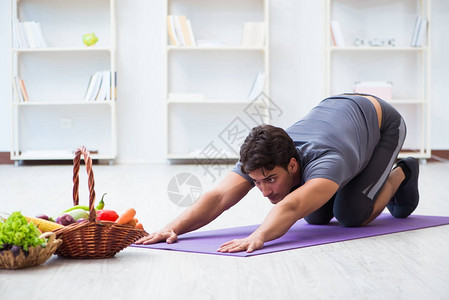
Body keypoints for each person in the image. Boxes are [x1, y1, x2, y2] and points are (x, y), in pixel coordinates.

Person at [136, 93, 420, 253]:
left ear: (293, 165)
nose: (265, 190)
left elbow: (291, 204)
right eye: (257, 182)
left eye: (271, 180)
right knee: (317, 215)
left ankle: (402, 172)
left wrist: (259, 235)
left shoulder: (327, 161)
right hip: (337, 115)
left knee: (351, 213)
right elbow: (219, 196)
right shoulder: (263, 155)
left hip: (381, 123)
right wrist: (172, 227)